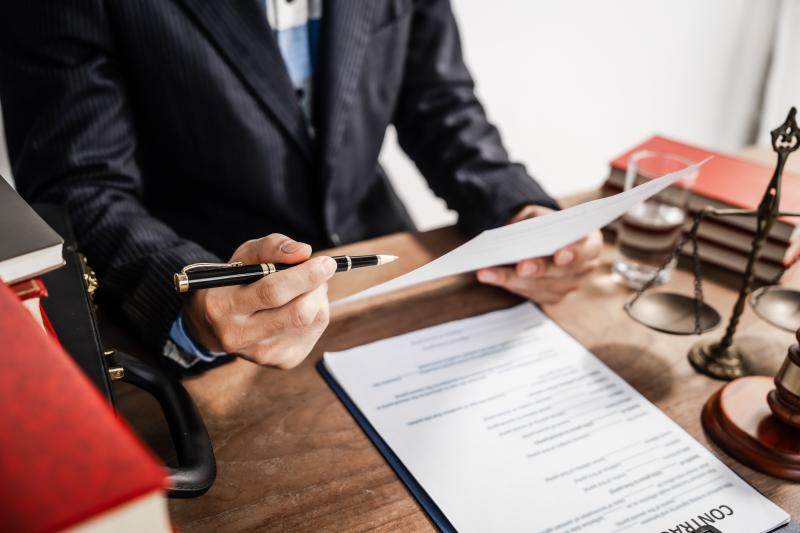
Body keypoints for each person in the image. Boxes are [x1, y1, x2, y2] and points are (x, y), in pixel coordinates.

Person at [0, 0, 601, 372]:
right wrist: (194, 297)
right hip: (209, 292)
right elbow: (79, 183)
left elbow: (439, 102)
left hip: (382, 271)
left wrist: (515, 206)